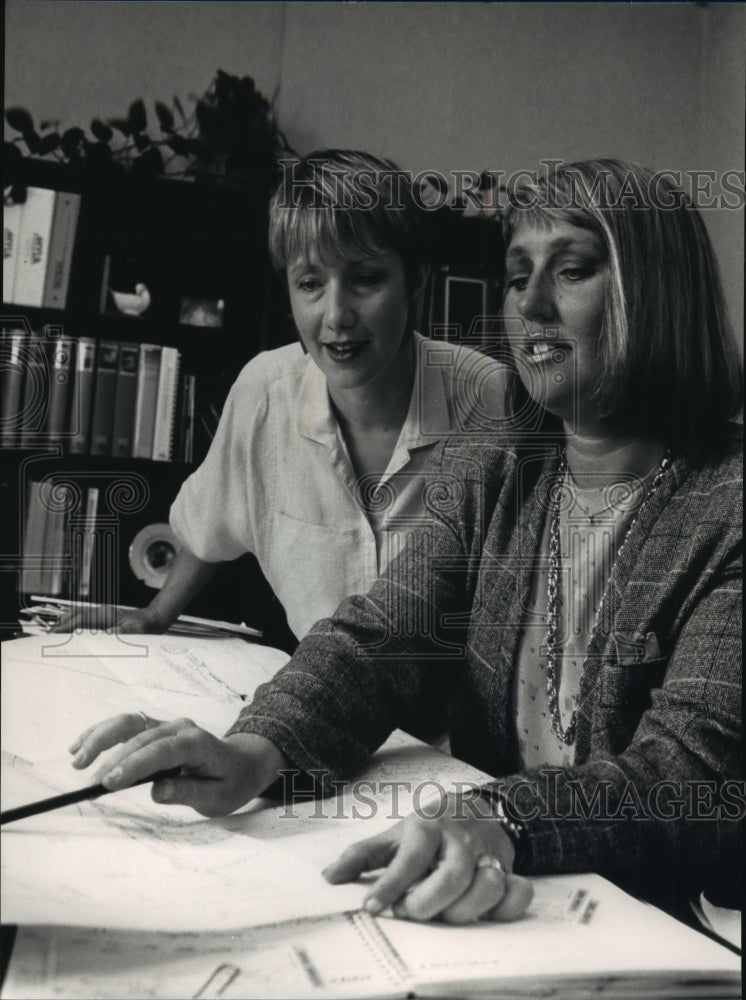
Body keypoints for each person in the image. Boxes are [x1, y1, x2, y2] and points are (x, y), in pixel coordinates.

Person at [68, 159, 742, 926]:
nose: (533, 303)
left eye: (574, 270)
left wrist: (504, 818)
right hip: (501, 902)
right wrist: (255, 750)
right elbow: (381, 635)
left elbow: (690, 772)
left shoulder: (728, 503)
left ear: (658, 293)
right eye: (518, 277)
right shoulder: (498, 456)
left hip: (676, 922)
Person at [56, 149, 507, 642]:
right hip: (321, 697)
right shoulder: (265, 392)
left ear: (415, 281)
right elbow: (213, 519)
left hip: (451, 709)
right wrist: (157, 613)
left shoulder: (489, 397)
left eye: (365, 279)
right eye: (311, 283)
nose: (336, 314)